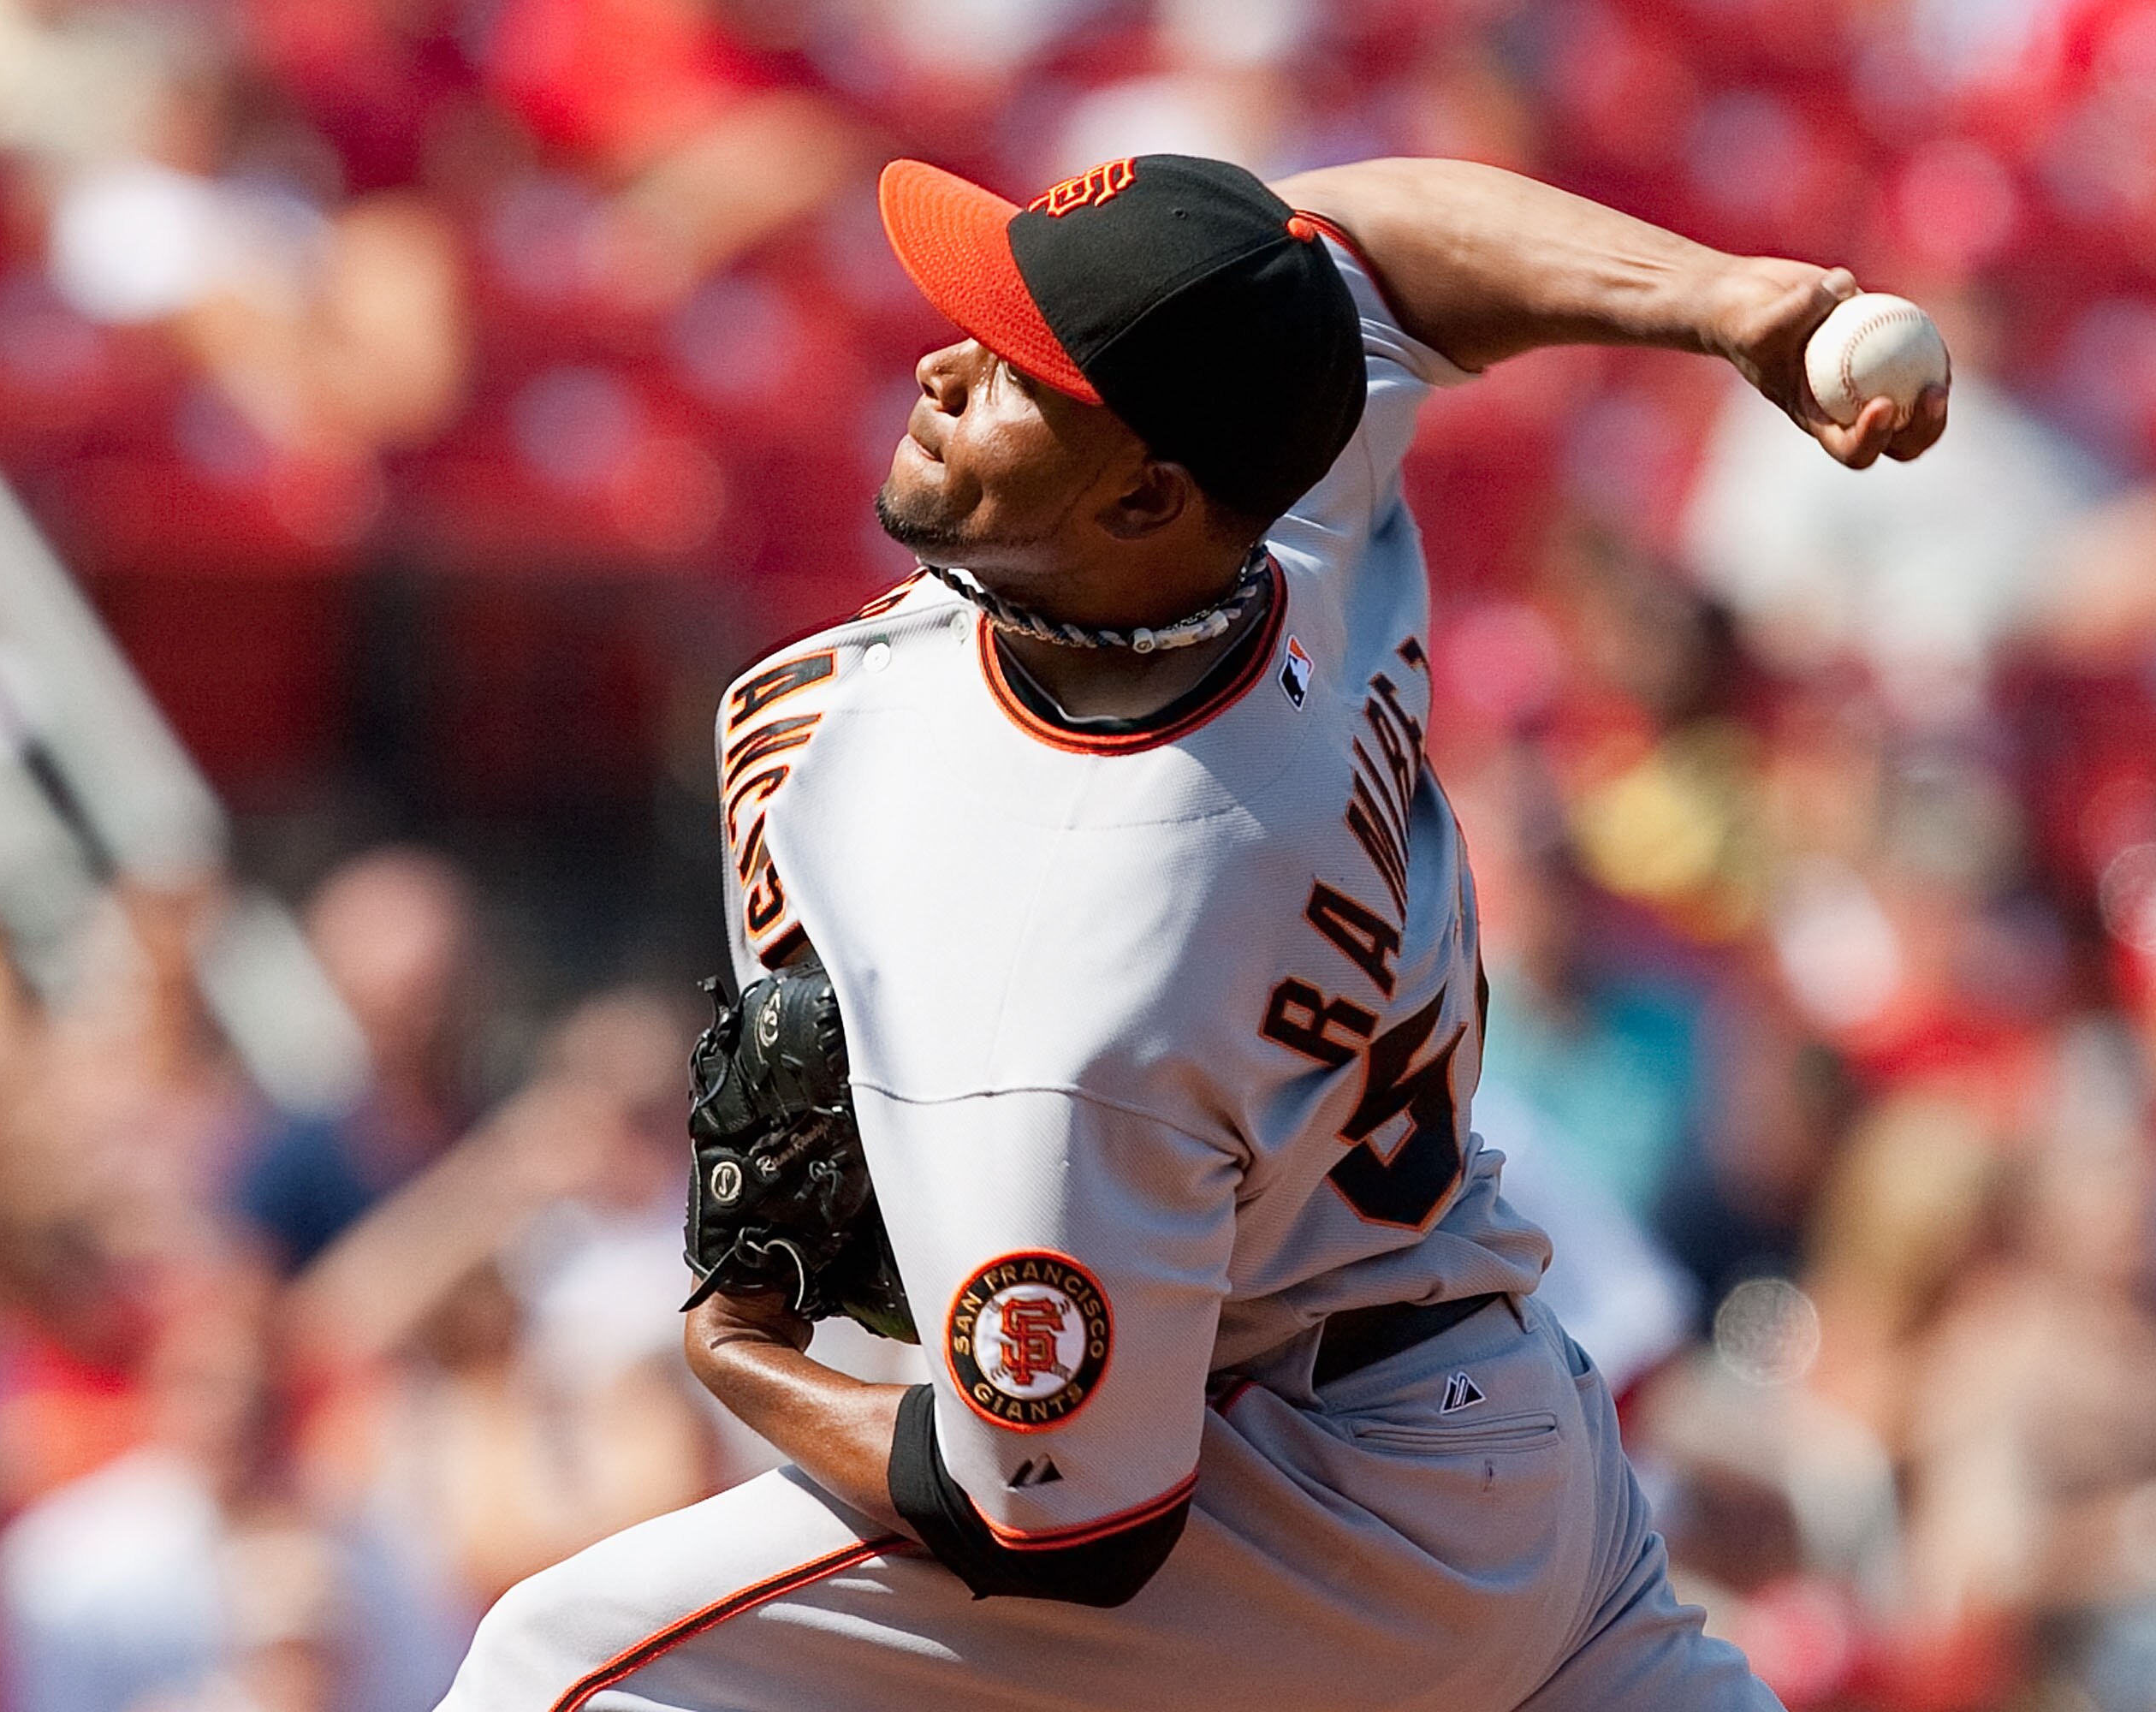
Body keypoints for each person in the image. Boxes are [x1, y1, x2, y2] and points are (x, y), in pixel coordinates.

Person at [439, 152, 1947, 1712]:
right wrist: (1732, 301)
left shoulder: (1071, 966)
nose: (941, 364)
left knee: (555, 1677)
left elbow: (1061, 1522)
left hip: (1293, 1512)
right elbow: (1364, 244)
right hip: (1509, 1435)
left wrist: (736, 1349)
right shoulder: (1273, 509)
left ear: (1144, 495)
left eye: (1018, 366)